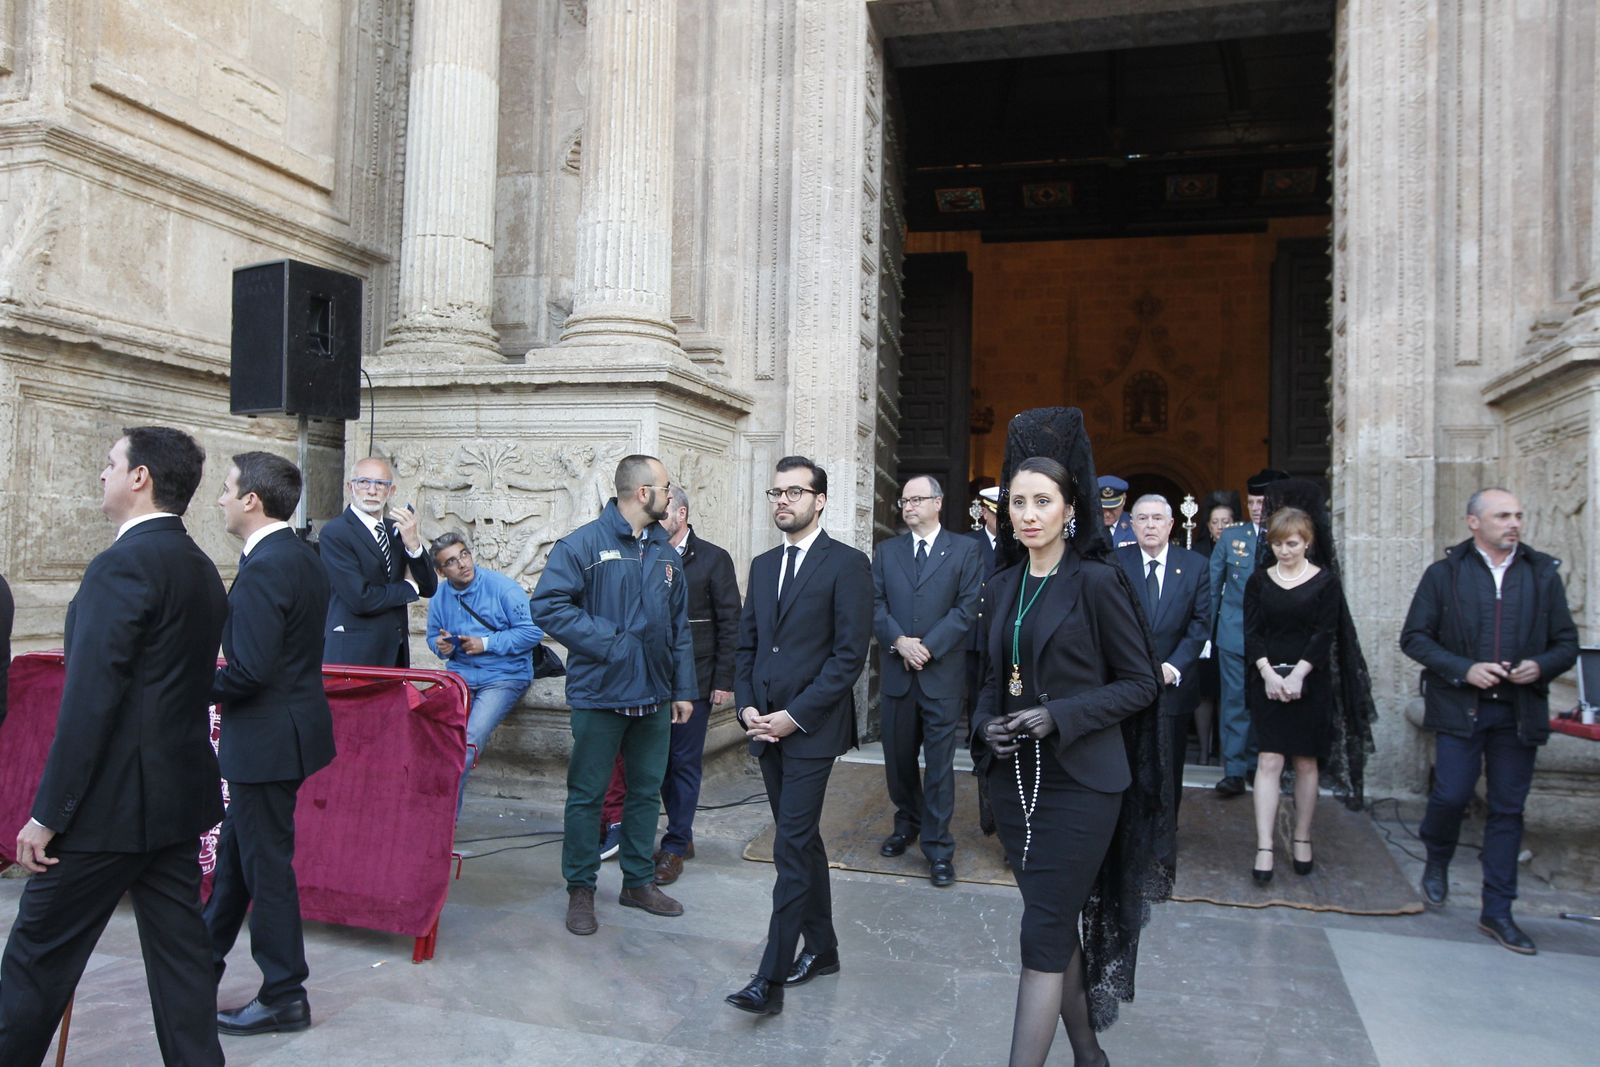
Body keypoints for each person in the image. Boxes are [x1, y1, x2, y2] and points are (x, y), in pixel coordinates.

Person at [0, 427, 228, 1067]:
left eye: (109, 464)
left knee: (34, 964)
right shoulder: (201, 567)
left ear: (140, 477)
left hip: (107, 811)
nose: (101, 474)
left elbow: (91, 702)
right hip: (174, 806)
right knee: (183, 972)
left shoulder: (124, 564)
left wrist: (48, 814)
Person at [972, 408, 1169, 1067]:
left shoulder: (1097, 581)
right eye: (1019, 501)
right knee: (1055, 927)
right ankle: (1089, 1052)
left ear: (1070, 508)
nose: (1029, 514)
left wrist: (1061, 714)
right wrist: (985, 725)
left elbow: (1142, 682)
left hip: (1081, 782)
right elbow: (986, 681)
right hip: (1015, 784)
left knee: (1042, 933)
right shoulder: (1000, 585)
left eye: (1043, 502)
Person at [724, 456, 872, 1017]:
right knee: (803, 839)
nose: (782, 501)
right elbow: (748, 646)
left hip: (811, 731)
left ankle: (769, 978)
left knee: (789, 843)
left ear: (821, 500)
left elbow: (847, 658)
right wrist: (748, 709)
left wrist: (794, 716)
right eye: (775, 492)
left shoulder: (848, 564)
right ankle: (825, 949)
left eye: (794, 492)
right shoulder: (762, 565)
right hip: (764, 727)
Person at [1401, 488, 1577, 954]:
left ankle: (1497, 910)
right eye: (1503, 516)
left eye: (1518, 515)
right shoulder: (1445, 575)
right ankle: (1436, 857)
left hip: (1518, 710)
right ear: (1474, 522)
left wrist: (1541, 666)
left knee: (1507, 809)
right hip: (1462, 706)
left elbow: (1566, 642)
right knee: (1451, 794)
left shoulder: (1542, 575)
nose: (1514, 523)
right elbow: (1415, 638)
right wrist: (1464, 668)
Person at [531, 454, 697, 936]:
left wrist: (682, 688)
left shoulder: (666, 552)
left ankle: (637, 882)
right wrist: (610, 641)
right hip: (600, 695)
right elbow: (547, 606)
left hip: (654, 697)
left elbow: (679, 627)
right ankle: (580, 889)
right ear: (644, 493)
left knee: (646, 792)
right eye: (666, 487)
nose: (671, 495)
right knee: (587, 795)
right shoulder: (582, 545)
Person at [206, 451, 336, 1036]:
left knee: (266, 870)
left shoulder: (265, 566)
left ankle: (284, 994)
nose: (221, 499)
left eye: (227, 489)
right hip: (284, 735)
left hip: (266, 740)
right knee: (238, 857)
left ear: (252, 500)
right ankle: (197, 968)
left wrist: (180, 681)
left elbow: (249, 670)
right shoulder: (299, 556)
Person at [592, 485, 740, 886]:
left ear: (683, 514)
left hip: (698, 680)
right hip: (652, 678)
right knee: (652, 766)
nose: (657, 518)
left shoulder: (713, 559)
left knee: (684, 763)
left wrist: (725, 680)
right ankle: (676, 834)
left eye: (665, 510)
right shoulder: (646, 553)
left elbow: (731, 623)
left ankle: (675, 846)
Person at [871, 475, 982, 886]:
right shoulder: (887, 551)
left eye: (917, 499)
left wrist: (927, 647)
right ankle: (907, 823)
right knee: (898, 761)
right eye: (904, 500)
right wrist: (899, 641)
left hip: (941, 676)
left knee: (938, 767)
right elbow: (876, 603)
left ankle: (938, 847)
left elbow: (966, 608)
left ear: (938, 502)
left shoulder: (965, 550)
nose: (908, 506)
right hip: (899, 674)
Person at [1243, 507, 1338, 884]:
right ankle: (1265, 844)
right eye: (1279, 544)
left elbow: (1324, 633)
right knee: (1268, 760)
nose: (1285, 550)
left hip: (1310, 681)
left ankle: (1301, 836)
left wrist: (1298, 674)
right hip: (1267, 678)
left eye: (1292, 543)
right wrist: (1267, 673)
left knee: (1305, 762)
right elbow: (1252, 632)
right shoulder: (1258, 581)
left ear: (1307, 542)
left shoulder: (1325, 582)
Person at [425, 532, 542, 817]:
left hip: (503, 676)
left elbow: (533, 631)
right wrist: (441, 646)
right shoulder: (440, 595)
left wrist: (486, 643)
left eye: (464, 554)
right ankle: (432, 814)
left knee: (468, 740)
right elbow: (431, 636)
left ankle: (443, 822)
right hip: (461, 675)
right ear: (441, 572)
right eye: (452, 562)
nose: (463, 564)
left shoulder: (502, 587)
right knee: (435, 738)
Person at [1115, 494, 1210, 844]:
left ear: (1171, 525)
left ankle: (1163, 838)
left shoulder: (1196, 565)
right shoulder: (1116, 562)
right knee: (1126, 764)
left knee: (1168, 767)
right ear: (1132, 525)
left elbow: (1200, 624)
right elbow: (1109, 622)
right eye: (1142, 518)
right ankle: (1127, 837)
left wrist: (1172, 667)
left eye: (1157, 519)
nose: (1150, 525)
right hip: (1127, 685)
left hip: (1174, 686)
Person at [1208, 467, 1289, 797]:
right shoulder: (1232, 536)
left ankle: (1263, 765)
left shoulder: (1287, 536)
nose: (1257, 507)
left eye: (1263, 501)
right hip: (1234, 633)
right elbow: (1214, 586)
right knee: (1235, 702)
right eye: (1252, 501)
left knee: (1269, 702)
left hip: (1275, 637)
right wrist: (1206, 632)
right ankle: (1235, 770)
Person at [320, 456, 438, 667]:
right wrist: (409, 587)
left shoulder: (397, 529)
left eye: (380, 484)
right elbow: (361, 598)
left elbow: (429, 587)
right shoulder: (335, 532)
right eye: (364, 482)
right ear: (350, 487)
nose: (372, 491)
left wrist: (413, 544)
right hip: (353, 654)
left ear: (391, 491)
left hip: (394, 652)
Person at [1191, 490, 1241, 560]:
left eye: (1225, 522)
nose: (1220, 526)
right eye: (1214, 522)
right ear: (1209, 526)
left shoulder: (1244, 547)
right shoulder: (1198, 551)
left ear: (1235, 524)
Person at [1097, 474, 1137, 548]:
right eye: (1102, 509)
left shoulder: (1136, 526)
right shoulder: (1084, 526)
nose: (1107, 514)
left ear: (1124, 501)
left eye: (1112, 508)